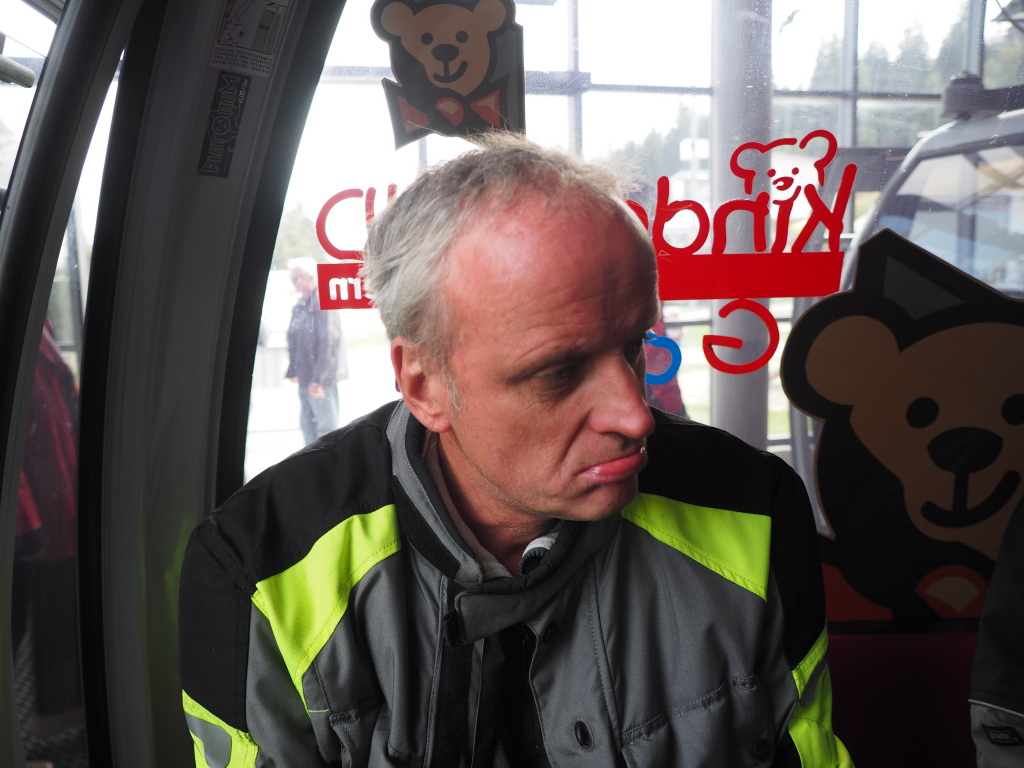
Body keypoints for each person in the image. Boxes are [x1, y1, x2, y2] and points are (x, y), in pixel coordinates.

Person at [179, 134, 851, 767]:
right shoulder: (262, 572)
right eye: (558, 372)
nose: (635, 415)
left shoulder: (754, 510)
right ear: (425, 385)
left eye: (633, 346)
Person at [285, 257, 348, 444]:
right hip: (305, 377)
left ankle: (329, 463)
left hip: (320, 379)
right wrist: (293, 369)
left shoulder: (324, 303)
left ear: (310, 278)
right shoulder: (300, 305)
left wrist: (318, 380)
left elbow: (328, 344)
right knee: (307, 426)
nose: (293, 283)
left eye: (296, 278)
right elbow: (294, 340)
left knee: (326, 429)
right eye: (292, 278)